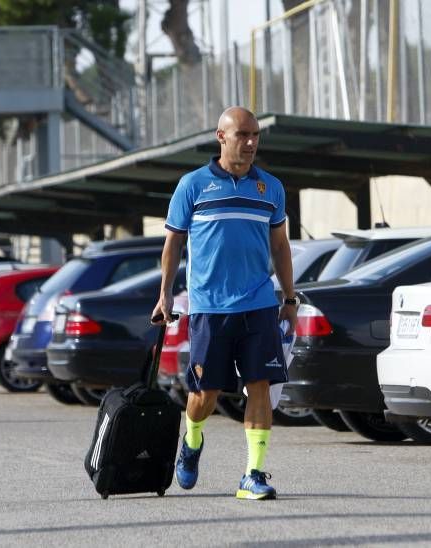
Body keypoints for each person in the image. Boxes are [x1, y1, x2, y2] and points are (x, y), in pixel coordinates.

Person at [152, 106, 298, 500]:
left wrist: (289, 297)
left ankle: (254, 474)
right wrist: (165, 294)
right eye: (242, 135)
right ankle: (193, 438)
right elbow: (173, 243)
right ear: (221, 137)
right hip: (210, 309)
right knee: (205, 397)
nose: (250, 143)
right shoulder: (193, 185)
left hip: (257, 304)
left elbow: (280, 245)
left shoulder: (271, 188)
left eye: (255, 135)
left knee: (260, 386)